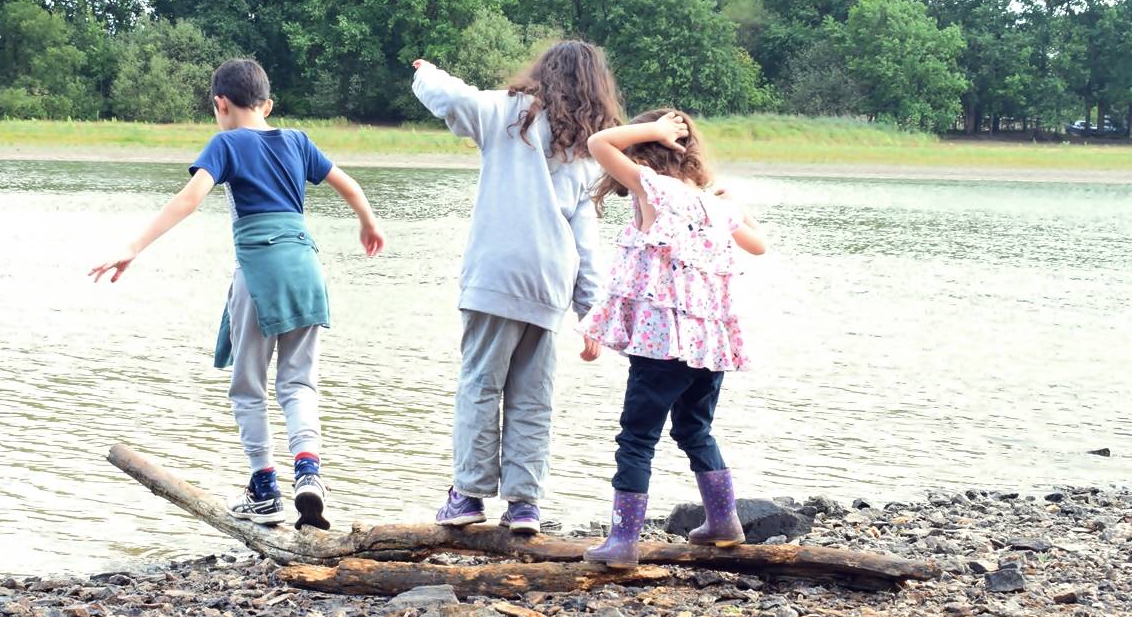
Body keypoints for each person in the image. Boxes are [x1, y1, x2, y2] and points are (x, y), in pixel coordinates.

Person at [90, 59, 384, 530]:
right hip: (306, 267)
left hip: (259, 269)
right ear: (267, 104)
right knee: (299, 382)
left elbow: (189, 198)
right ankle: (309, 472)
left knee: (249, 384)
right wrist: (368, 224)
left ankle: (264, 488)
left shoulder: (225, 143)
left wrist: (132, 247)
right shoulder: (298, 141)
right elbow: (350, 186)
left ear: (220, 104)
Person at [410, 41, 621, 534]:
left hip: (496, 275)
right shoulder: (585, 147)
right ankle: (524, 503)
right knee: (533, 396)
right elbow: (585, 240)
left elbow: (453, 98)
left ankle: (467, 494)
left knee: (480, 385)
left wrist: (426, 72)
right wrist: (591, 312)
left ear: (543, 72)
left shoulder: (508, 113)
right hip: (550, 282)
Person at [578, 109, 767, 568]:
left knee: (637, 438)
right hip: (709, 346)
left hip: (661, 344)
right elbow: (757, 244)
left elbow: (599, 143)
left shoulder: (652, 189)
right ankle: (723, 521)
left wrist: (655, 130)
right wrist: (736, 205)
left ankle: (624, 542)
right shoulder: (712, 205)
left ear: (645, 153)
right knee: (694, 428)